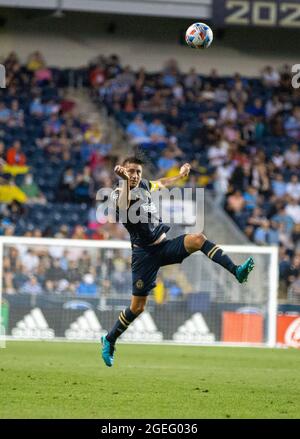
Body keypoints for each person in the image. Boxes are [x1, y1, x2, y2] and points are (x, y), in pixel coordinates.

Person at [101, 156, 255, 367]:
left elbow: (161, 183)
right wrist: (125, 182)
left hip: (164, 246)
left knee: (198, 239)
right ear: (124, 173)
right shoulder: (119, 193)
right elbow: (124, 204)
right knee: (137, 308)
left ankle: (237, 271)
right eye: (131, 172)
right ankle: (109, 339)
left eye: (137, 172)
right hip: (144, 256)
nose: (135, 175)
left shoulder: (145, 184)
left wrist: (180, 176)